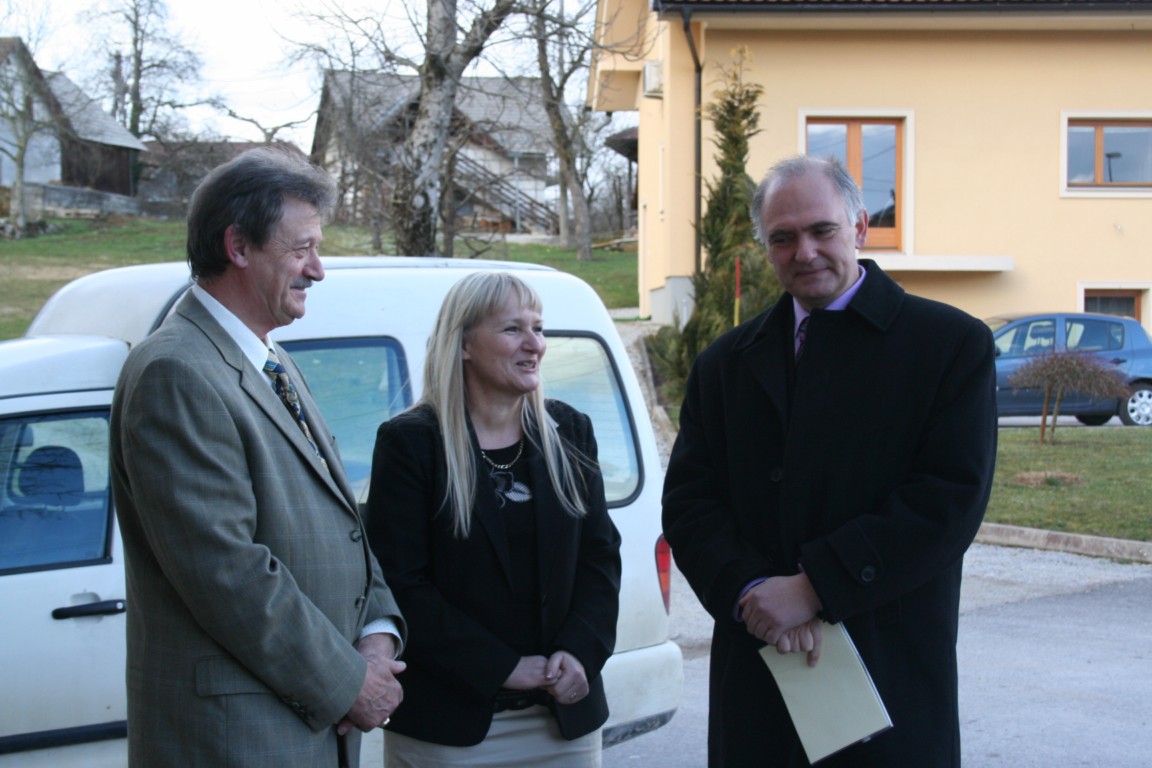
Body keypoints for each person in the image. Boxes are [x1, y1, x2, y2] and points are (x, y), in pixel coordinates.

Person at [662, 155, 997, 767]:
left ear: (860, 227)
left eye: (822, 230)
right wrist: (752, 592)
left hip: (887, 673)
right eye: (783, 238)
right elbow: (690, 504)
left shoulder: (949, 344)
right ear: (766, 248)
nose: (805, 252)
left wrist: (816, 586)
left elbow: (949, 498)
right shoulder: (724, 364)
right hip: (758, 671)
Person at [110, 147, 407, 767]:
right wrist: (349, 683)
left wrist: (377, 632)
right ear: (238, 246)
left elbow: (342, 521)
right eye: (302, 249)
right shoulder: (175, 370)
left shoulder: (271, 359)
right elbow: (227, 571)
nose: (317, 270)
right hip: (238, 740)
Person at [365, 271, 621, 767]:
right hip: (450, 728)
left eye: (538, 328)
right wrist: (503, 667)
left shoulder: (570, 431)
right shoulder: (411, 443)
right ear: (463, 344)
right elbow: (401, 584)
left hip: (562, 722)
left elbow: (600, 559)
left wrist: (580, 650)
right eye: (512, 329)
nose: (535, 344)